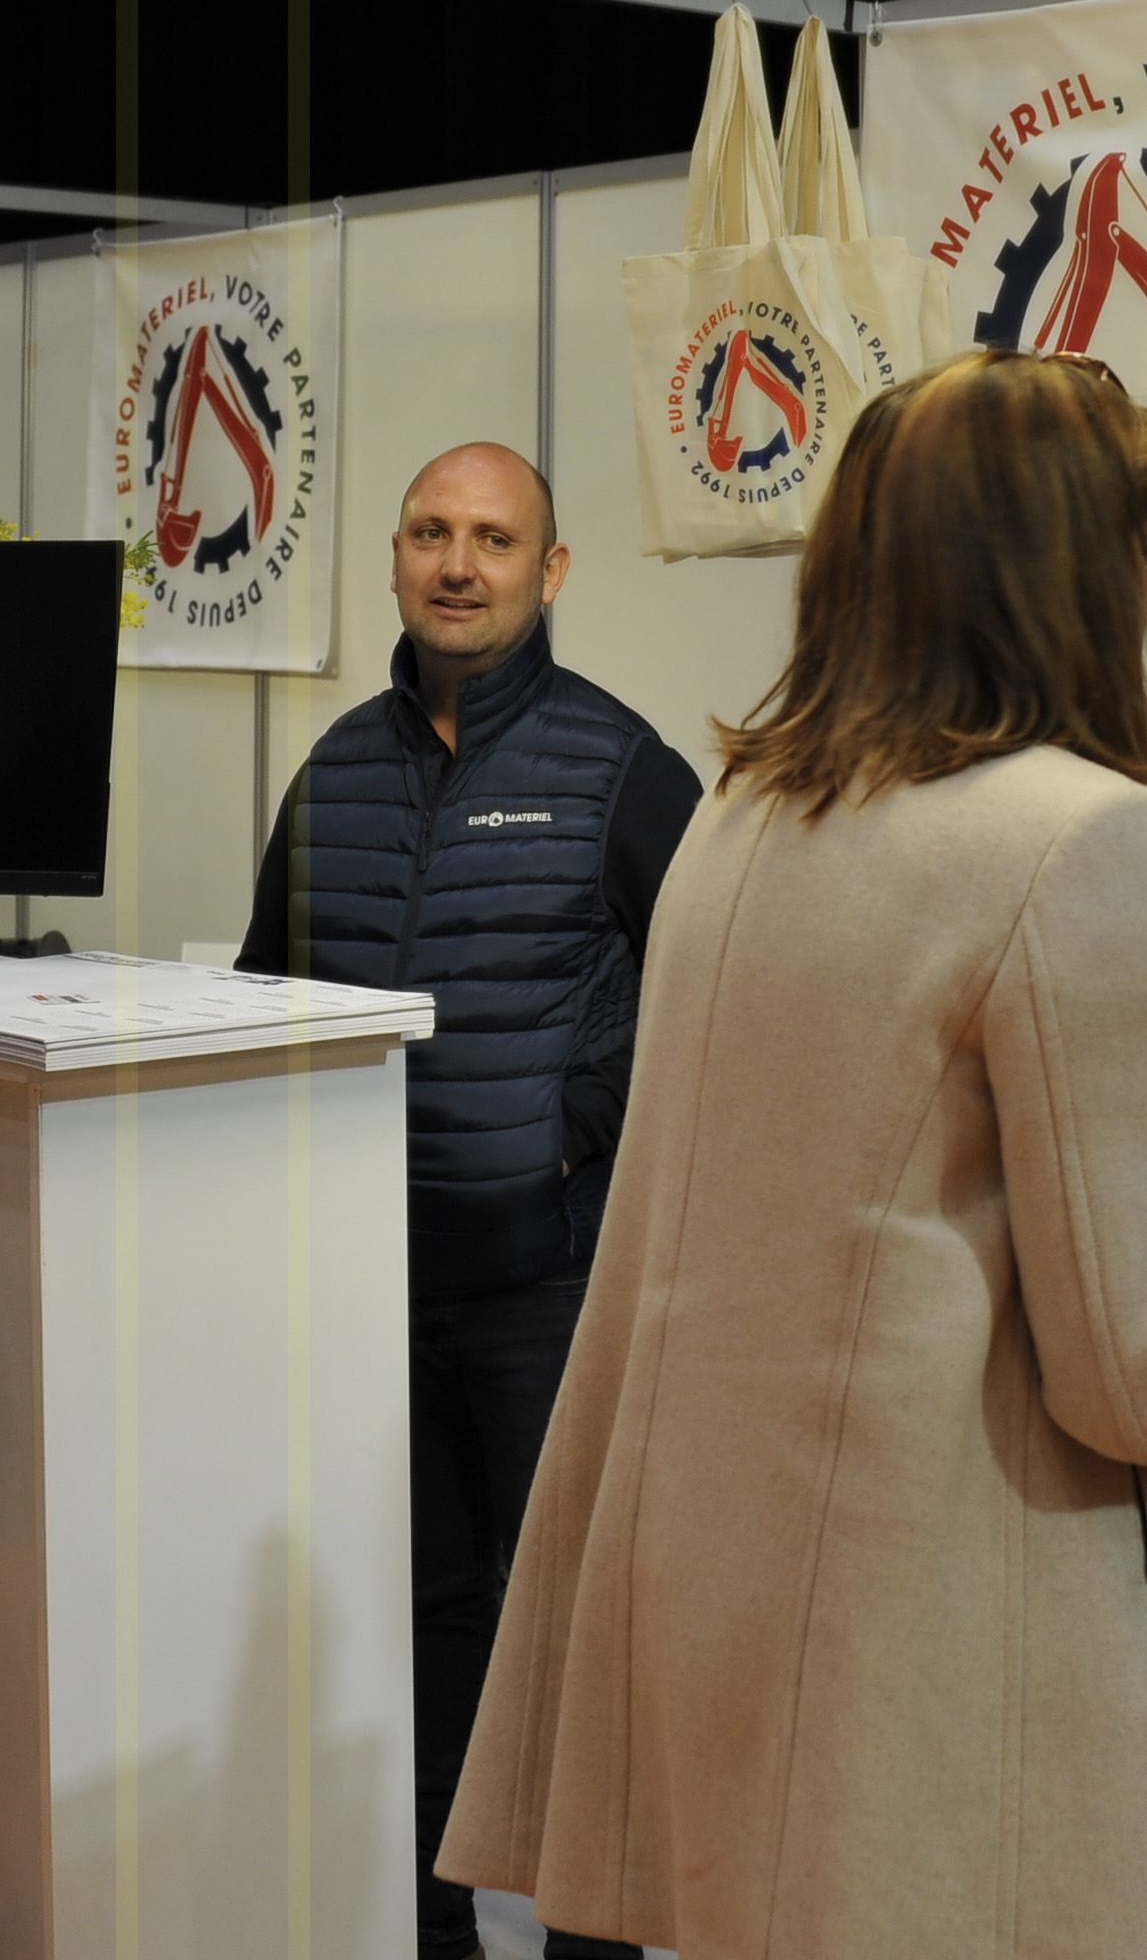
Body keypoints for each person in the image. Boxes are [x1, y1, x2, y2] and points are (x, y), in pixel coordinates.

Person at [439, 349, 1147, 1960]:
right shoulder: (1083, 839)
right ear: (1072, 565)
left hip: (726, 1624)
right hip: (931, 1665)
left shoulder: (746, 814)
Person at [238, 440, 701, 1960]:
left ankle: (592, 1945)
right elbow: (262, 996)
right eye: (430, 533)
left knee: (579, 1643)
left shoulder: (624, 771)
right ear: (391, 558)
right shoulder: (334, 773)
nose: (457, 565)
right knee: (417, 1633)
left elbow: (713, 1005)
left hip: (550, 1288)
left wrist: (577, 1132)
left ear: (549, 572)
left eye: (494, 540)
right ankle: (429, 1936)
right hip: (371, 1291)